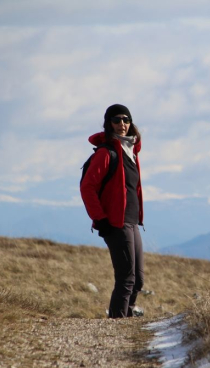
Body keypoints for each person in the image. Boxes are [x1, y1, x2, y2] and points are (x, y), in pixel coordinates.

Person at [80, 104, 144, 318]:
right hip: (115, 223)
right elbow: (87, 187)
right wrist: (100, 218)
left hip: (132, 221)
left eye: (126, 120)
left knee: (138, 279)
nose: (122, 124)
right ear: (109, 124)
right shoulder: (107, 153)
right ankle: (118, 327)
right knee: (126, 278)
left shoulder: (131, 151)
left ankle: (126, 317)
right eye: (116, 120)